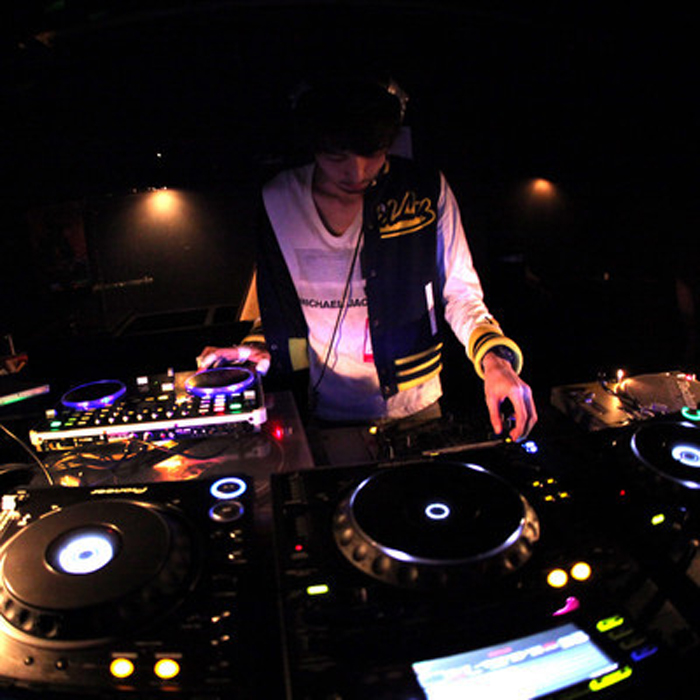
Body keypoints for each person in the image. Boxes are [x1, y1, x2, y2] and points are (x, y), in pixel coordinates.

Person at [198, 72, 537, 441]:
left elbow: (461, 294)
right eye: (336, 155)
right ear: (313, 143)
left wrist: (495, 360)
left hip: (418, 406)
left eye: (372, 153)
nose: (356, 172)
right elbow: (280, 305)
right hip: (325, 410)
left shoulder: (425, 189)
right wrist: (260, 347)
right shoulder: (278, 200)